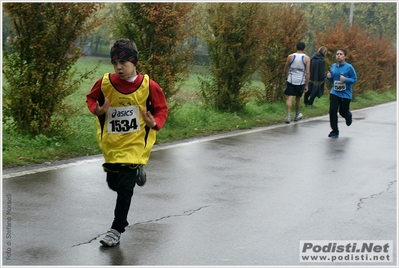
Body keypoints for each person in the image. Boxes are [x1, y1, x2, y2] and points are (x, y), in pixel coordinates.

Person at [86, 38, 168, 246]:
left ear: (134, 62)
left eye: (123, 62)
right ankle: (136, 173)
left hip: (135, 144)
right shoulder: (105, 82)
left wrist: (155, 121)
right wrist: (97, 109)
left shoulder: (149, 86)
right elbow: (91, 98)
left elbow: (161, 109)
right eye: (115, 63)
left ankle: (117, 228)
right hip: (113, 145)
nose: (118, 67)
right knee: (113, 182)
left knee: (124, 187)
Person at [326, 48, 357, 138]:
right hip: (334, 92)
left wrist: (346, 80)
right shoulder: (333, 66)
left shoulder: (349, 67)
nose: (338, 56)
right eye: (337, 54)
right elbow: (331, 79)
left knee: (342, 112)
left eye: (341, 54)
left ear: (345, 56)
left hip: (345, 94)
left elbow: (354, 79)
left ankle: (348, 116)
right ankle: (334, 130)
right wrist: (329, 77)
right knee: (332, 111)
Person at [283, 41, 310, 124]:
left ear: (296, 47)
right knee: (298, 98)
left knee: (290, 97)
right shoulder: (306, 58)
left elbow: (286, 68)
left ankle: (288, 116)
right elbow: (308, 72)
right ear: (304, 49)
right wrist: (306, 84)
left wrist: (286, 76)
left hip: (291, 79)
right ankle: (297, 114)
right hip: (300, 81)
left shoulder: (290, 57)